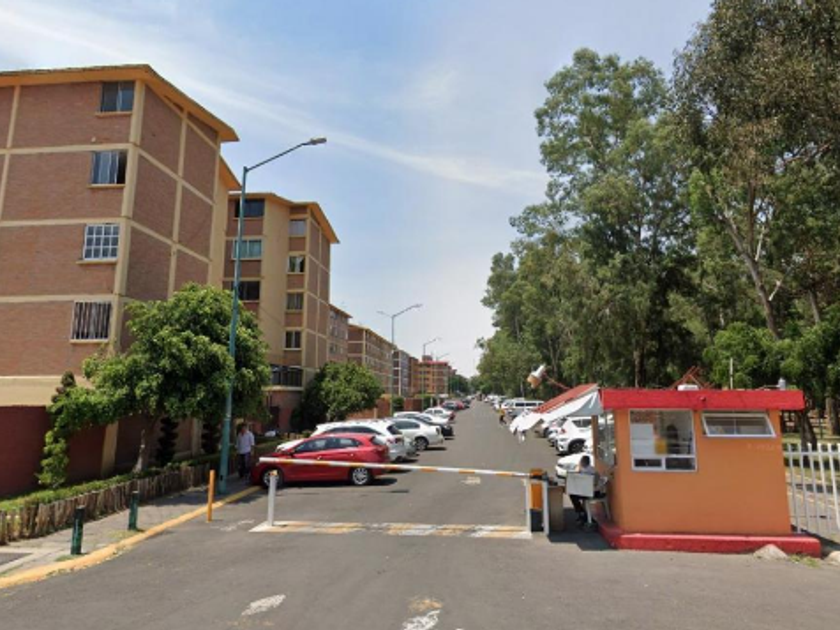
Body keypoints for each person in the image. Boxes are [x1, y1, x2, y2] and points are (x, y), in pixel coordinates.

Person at [569, 455, 598, 525]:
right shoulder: (593, 470)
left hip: (585, 493)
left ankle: (581, 512)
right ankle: (582, 513)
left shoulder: (581, 470)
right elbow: (596, 480)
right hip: (591, 491)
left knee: (573, 496)